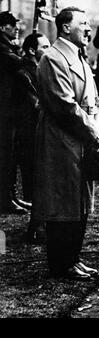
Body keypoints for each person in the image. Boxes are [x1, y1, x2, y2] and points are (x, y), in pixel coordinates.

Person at [34, 7, 99, 279]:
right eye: (83, 23)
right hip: (61, 141)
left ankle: (74, 259)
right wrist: (93, 130)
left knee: (80, 202)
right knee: (62, 202)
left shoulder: (79, 57)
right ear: (65, 27)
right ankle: (62, 264)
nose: (89, 28)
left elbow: (95, 100)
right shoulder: (53, 58)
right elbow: (65, 105)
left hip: (81, 139)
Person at [12, 33, 50, 241]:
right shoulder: (23, 73)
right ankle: (36, 228)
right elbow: (35, 104)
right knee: (36, 181)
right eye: (45, 46)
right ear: (31, 50)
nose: (49, 49)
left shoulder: (40, 70)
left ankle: (38, 226)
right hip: (28, 135)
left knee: (41, 180)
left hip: (37, 132)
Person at [0, 11, 26, 214]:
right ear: (2, 28)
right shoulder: (2, 49)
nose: (16, 27)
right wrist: (25, 52)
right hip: (3, 110)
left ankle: (10, 195)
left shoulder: (8, 47)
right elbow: (17, 63)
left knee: (10, 155)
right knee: (5, 155)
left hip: (9, 109)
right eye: (12, 25)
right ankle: (5, 199)